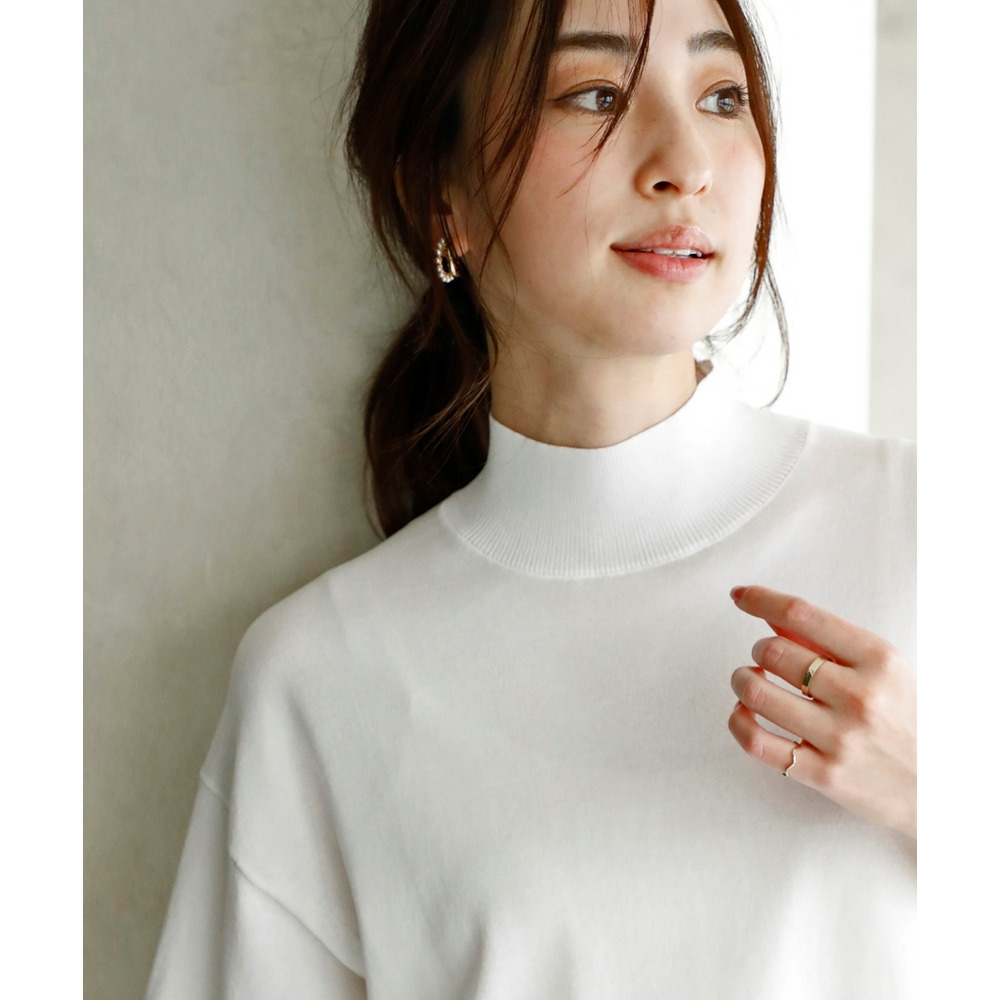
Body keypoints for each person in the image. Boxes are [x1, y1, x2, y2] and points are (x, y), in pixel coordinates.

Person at [145, 0, 916, 996]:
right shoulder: (323, 676)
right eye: (594, 95)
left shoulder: (934, 530)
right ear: (440, 192)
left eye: (723, 96)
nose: (686, 162)